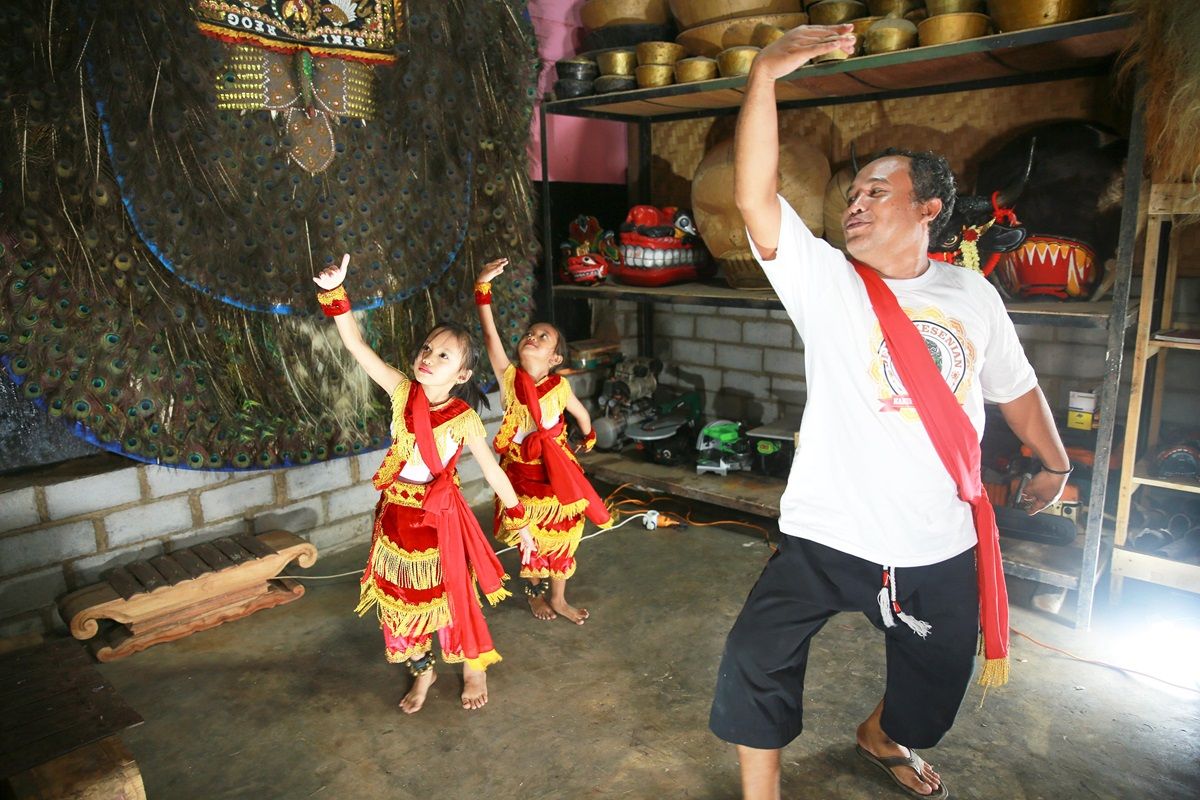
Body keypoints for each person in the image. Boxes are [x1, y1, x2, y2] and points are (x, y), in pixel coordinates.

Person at [708, 25, 1073, 800]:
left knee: (935, 685)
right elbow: (752, 195)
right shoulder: (825, 282)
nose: (857, 204)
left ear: (929, 208)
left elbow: (1015, 387)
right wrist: (767, 72)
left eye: (878, 190)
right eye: (852, 194)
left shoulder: (972, 295)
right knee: (753, 654)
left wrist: (1055, 460)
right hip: (826, 532)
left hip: (934, 540)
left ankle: (881, 736)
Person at [314, 254, 536, 714]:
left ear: (463, 375)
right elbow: (355, 346)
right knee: (400, 605)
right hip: (395, 518)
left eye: (443, 355)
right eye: (427, 349)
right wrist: (336, 292)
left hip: (440, 522)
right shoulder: (401, 391)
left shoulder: (463, 417)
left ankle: (473, 665)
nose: (428, 358)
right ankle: (423, 670)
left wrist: (523, 523)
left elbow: (494, 472)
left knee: (453, 597)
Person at [474, 258, 612, 625]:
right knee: (529, 538)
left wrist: (589, 436)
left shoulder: (560, 387)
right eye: (529, 333)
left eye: (542, 337)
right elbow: (490, 338)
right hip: (521, 476)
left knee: (564, 536)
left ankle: (560, 598)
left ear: (555, 358)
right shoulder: (509, 378)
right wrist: (482, 290)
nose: (531, 338)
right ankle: (535, 594)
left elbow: (581, 414)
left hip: (557, 472)